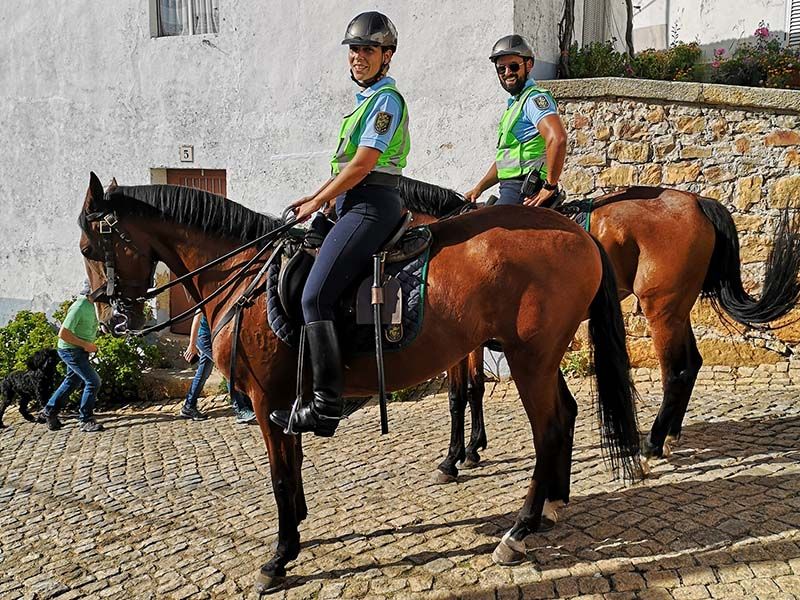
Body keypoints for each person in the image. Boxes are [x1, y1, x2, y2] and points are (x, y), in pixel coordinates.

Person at [270, 11, 410, 437]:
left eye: (368, 50)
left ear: (387, 55)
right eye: (353, 50)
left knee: (315, 297)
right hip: (350, 203)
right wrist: (319, 201)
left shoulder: (386, 101)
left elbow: (364, 164)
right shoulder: (362, 103)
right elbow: (344, 168)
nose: (358, 57)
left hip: (372, 205)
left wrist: (319, 199)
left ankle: (327, 406)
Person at [465, 35, 568, 207]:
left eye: (513, 66)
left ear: (529, 65)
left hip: (524, 190)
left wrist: (550, 185)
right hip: (509, 189)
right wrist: (479, 188)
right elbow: (505, 161)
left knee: (490, 225)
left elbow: (557, 138)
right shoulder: (515, 105)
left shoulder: (533, 99)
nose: (507, 73)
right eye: (501, 69)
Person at [39, 281, 104, 432]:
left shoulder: (92, 305)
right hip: (70, 350)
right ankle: (86, 420)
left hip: (78, 350)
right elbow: (63, 333)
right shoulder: (79, 307)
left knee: (72, 381)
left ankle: (49, 411)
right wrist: (86, 345)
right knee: (93, 382)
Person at [180, 311, 256, 424]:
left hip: (217, 337)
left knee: (203, 374)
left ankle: (188, 406)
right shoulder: (206, 300)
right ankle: (240, 409)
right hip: (206, 339)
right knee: (228, 369)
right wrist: (192, 345)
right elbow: (197, 317)